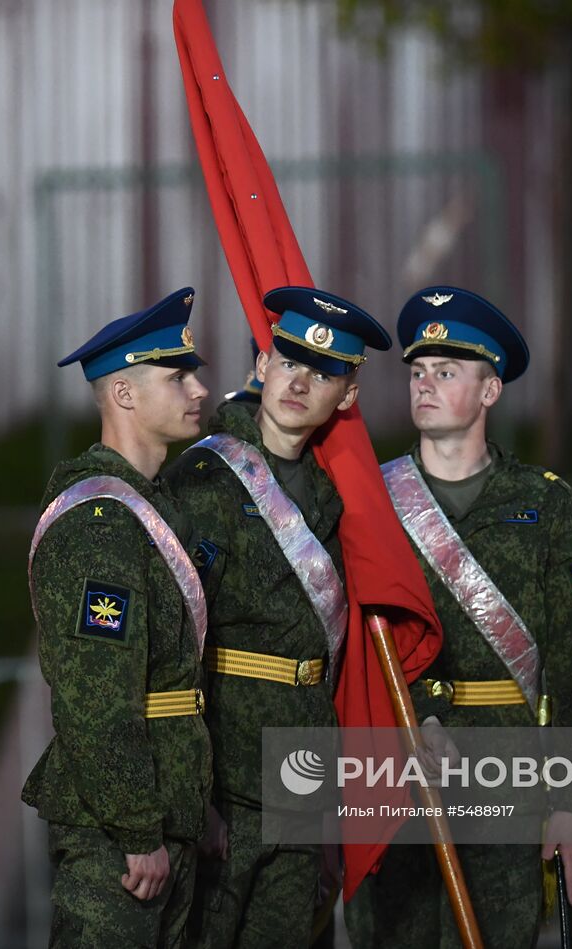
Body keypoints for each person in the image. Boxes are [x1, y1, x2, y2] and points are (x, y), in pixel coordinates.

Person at [345, 287, 572, 949]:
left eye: (446, 372)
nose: (425, 384)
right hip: (395, 768)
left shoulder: (544, 505)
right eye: (417, 372)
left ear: (490, 391)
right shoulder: (367, 500)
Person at [164, 287, 392, 949]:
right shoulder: (203, 476)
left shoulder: (337, 499)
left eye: (324, 373)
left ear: (347, 396)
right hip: (224, 768)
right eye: (289, 359)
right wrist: (189, 786)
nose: (301, 380)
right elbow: (175, 641)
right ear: (262, 365)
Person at [21, 287, 213, 948]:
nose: (199, 388)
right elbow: (96, 698)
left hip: (167, 816)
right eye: (178, 376)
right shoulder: (100, 522)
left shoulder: (154, 504)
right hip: (119, 838)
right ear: (125, 395)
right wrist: (138, 829)